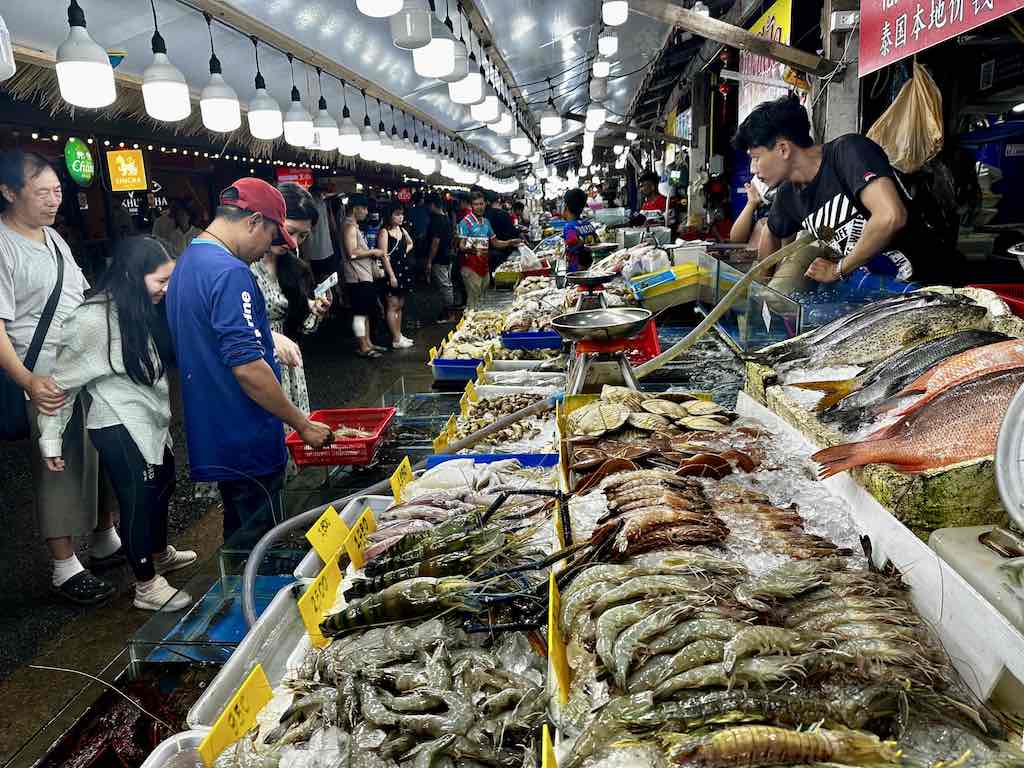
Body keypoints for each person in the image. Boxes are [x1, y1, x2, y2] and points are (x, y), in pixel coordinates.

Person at [165, 178, 333, 546]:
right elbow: (249, 368)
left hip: (215, 431)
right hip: (246, 433)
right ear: (254, 221)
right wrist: (301, 424)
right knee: (262, 542)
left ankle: (238, 600)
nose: (269, 249)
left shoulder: (189, 260)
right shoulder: (231, 273)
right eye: (274, 234)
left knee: (239, 537)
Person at [39, 237, 197, 611]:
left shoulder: (141, 308)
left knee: (163, 487)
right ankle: (146, 585)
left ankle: (158, 554)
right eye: (160, 280)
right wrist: (51, 440)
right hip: (118, 424)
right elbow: (61, 385)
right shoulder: (90, 320)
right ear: (131, 276)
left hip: (151, 421)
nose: (166, 288)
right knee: (138, 501)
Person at [0, 150, 122, 605]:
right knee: (57, 465)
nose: (54, 201)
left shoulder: (53, 238)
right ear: (10, 192)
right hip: (45, 377)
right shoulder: (3, 244)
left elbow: (78, 295)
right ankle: (64, 566)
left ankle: (106, 537)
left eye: (57, 191)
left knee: (98, 452)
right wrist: (28, 381)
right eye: (41, 192)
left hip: (82, 368)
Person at [734, 93, 936, 287]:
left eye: (756, 157)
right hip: (877, 291)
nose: (753, 169)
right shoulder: (788, 194)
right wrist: (761, 292)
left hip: (930, 284)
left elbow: (890, 216)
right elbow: (771, 232)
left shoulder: (848, 152)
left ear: (783, 149)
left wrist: (838, 270)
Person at [251, 183, 331, 417]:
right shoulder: (244, 265)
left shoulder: (292, 266)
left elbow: (300, 327)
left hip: (290, 369)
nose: (294, 242)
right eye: (291, 231)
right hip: (258, 368)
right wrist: (269, 335)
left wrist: (315, 311)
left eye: (303, 236)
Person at [341, 194, 388, 358]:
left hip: (363, 276)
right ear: (356, 209)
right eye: (365, 208)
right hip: (357, 277)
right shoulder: (349, 227)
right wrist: (373, 252)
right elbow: (351, 253)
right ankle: (363, 346)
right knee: (360, 314)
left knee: (366, 312)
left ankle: (368, 343)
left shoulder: (353, 226)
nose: (367, 212)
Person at [457, 191, 521, 308]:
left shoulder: (486, 222)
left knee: (482, 302)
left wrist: (510, 242)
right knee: (473, 303)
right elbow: (461, 245)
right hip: (470, 268)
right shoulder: (465, 223)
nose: (479, 207)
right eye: (476, 204)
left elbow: (495, 243)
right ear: (471, 206)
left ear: (485, 204)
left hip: (484, 267)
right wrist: (475, 250)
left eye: (481, 204)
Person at [377, 202, 416, 349]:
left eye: (402, 214)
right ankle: (395, 338)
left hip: (403, 270)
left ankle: (399, 335)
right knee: (392, 305)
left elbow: (411, 243)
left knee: (400, 304)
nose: (401, 217)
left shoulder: (402, 230)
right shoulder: (384, 232)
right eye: (397, 214)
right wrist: (392, 276)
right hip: (391, 272)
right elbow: (384, 256)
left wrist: (403, 252)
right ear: (390, 215)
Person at [424, 194, 457, 324]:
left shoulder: (437, 220)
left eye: (428, 205)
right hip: (447, 256)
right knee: (447, 284)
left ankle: (450, 314)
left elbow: (435, 242)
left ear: (432, 205)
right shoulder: (446, 218)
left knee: (445, 286)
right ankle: (447, 312)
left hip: (440, 258)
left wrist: (429, 261)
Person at [302, 183, 336, 283]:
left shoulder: (307, 205)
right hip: (327, 249)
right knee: (327, 279)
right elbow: (331, 225)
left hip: (313, 251)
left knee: (316, 279)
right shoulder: (323, 204)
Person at [562, 188, 600, 272]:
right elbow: (597, 243)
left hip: (576, 273)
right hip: (591, 269)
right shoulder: (589, 225)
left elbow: (572, 248)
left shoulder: (569, 227)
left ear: (566, 206)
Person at [484, 192, 520, 275]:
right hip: (503, 254)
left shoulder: (482, 217)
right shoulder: (503, 214)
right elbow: (512, 233)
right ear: (498, 200)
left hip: (486, 256)